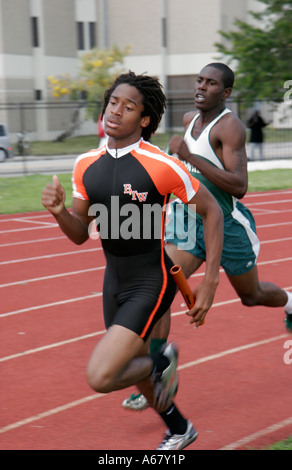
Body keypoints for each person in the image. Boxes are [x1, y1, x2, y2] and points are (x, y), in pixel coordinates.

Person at [41, 71, 224, 450]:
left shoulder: (161, 165)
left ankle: (161, 360)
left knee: (102, 376)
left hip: (150, 282)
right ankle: (179, 428)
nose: (116, 111)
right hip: (114, 283)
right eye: (113, 102)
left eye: (129, 107)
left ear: (144, 120)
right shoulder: (86, 164)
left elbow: (212, 213)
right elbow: (79, 234)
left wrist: (209, 282)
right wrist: (60, 211)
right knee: (131, 369)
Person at [122, 62, 292, 412]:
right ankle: (156, 370)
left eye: (211, 83)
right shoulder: (188, 121)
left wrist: (190, 155)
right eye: (199, 80)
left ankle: (290, 302)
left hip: (226, 223)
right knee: (158, 290)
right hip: (188, 220)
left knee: (252, 295)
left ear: (225, 92)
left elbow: (239, 186)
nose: (201, 86)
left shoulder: (230, 128)